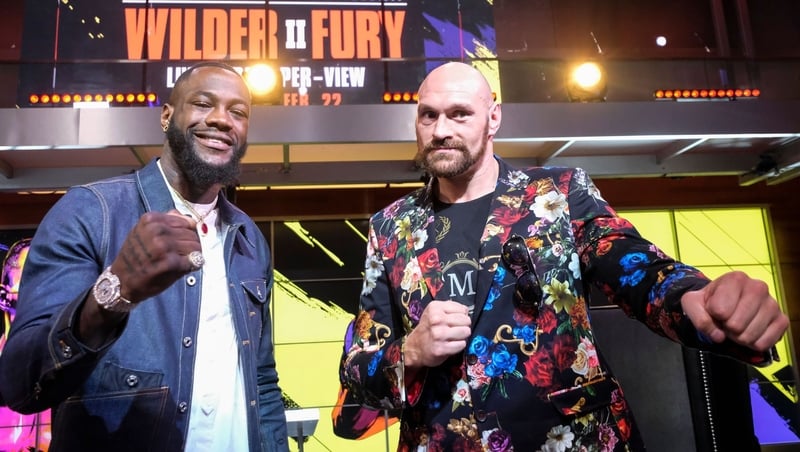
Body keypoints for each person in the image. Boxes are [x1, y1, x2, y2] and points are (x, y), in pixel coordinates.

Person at [337, 61, 789, 451]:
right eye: (428, 116)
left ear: (493, 118)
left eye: (459, 114)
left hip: (573, 439)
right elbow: (357, 369)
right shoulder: (390, 225)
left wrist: (691, 297)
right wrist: (410, 351)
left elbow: (625, 260)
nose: (441, 131)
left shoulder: (557, 192)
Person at [0, 62, 289, 451]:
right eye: (204, 104)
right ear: (167, 116)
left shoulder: (249, 237)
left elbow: (262, 379)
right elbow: (20, 385)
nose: (222, 120)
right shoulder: (90, 211)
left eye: (238, 112)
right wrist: (113, 293)